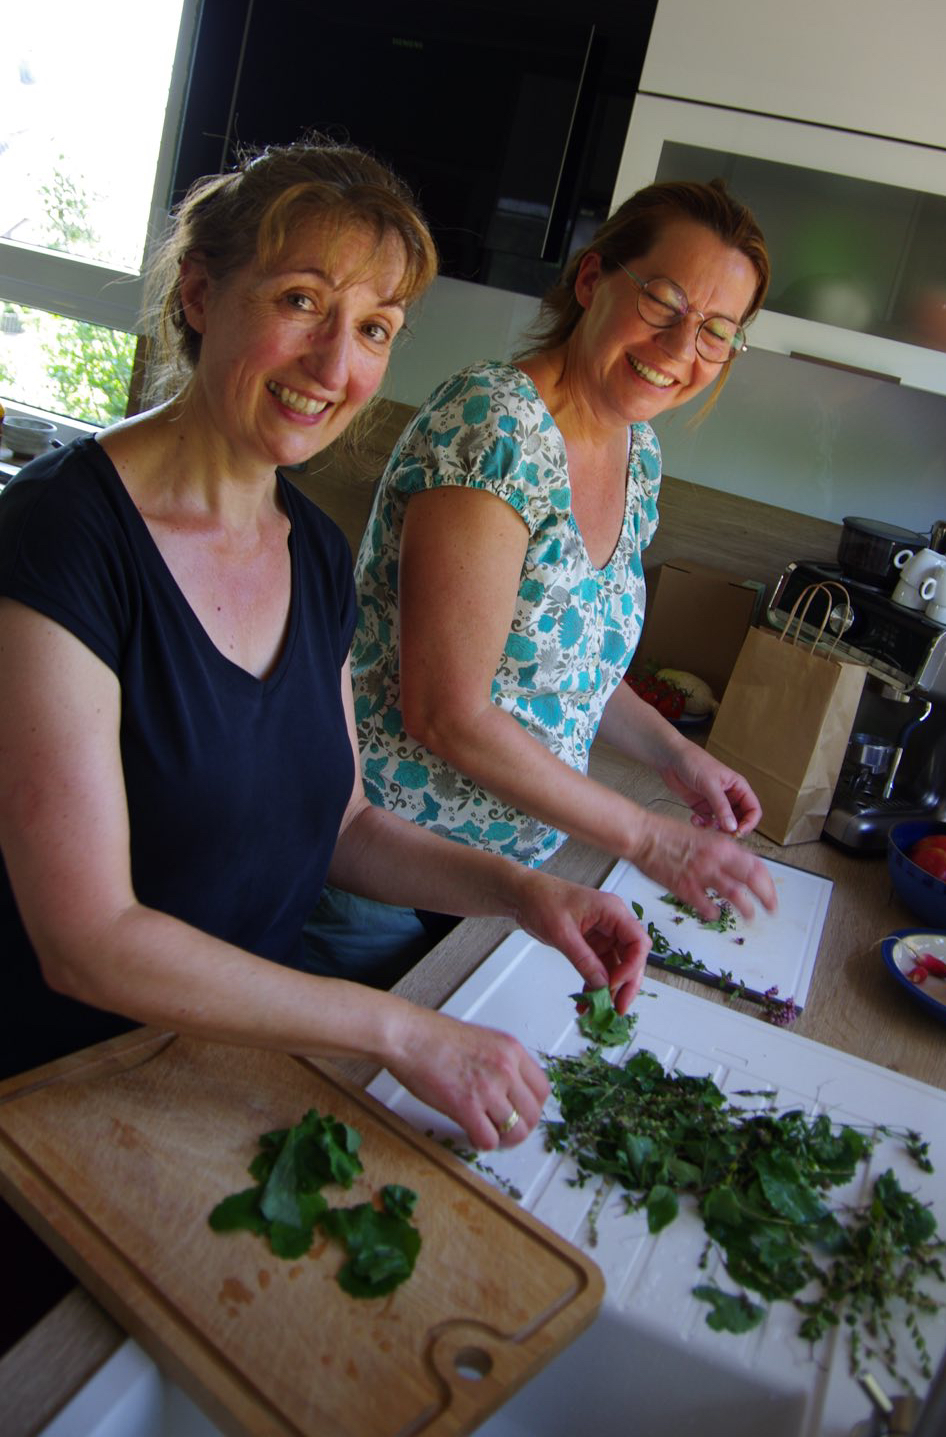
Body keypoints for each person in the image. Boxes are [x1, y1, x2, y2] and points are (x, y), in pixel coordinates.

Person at [0, 139, 649, 1157]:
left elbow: (342, 823)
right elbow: (87, 939)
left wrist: (527, 892)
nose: (336, 365)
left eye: (375, 327)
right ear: (203, 294)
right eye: (302, 301)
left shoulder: (312, 550)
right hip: (57, 1100)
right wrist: (395, 1026)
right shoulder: (59, 538)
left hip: (223, 1077)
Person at [305, 178, 779, 983]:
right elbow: (447, 713)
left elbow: (571, 665)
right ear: (593, 280)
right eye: (662, 302)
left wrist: (676, 757)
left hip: (500, 886)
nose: (678, 348)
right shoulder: (496, 426)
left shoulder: (638, 453)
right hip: (380, 870)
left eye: (716, 332)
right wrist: (650, 837)